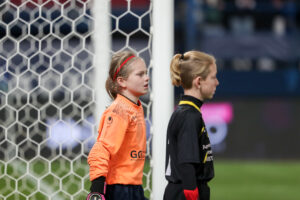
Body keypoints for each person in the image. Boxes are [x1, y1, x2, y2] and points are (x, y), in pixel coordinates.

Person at [87, 51, 149, 200]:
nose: (146, 78)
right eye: (140, 74)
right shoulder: (119, 110)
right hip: (119, 188)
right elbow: (101, 149)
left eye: (146, 73)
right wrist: (97, 189)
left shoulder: (135, 107)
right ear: (122, 81)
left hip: (133, 186)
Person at [163, 51, 219, 200]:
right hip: (185, 192)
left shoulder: (187, 112)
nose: (217, 82)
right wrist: (193, 194)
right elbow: (187, 163)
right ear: (198, 81)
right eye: (213, 77)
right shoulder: (189, 116)